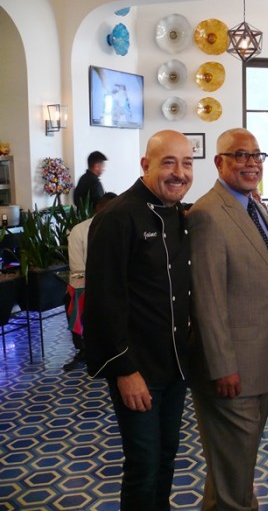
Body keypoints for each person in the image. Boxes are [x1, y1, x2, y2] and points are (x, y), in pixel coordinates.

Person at [83, 130, 193, 510]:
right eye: (168, 162)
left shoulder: (178, 213)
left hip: (175, 366)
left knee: (165, 459)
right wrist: (124, 370)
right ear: (145, 165)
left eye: (186, 163)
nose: (179, 172)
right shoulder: (117, 218)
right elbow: (101, 303)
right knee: (143, 466)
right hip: (139, 370)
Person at [188, 128, 268, 511]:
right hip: (232, 373)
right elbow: (207, 299)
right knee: (236, 485)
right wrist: (222, 365)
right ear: (219, 162)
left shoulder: (255, 206)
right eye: (240, 155)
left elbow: (266, 273)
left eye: (257, 155)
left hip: (260, 364)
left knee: (230, 473)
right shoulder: (207, 214)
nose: (251, 163)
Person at [62, 191, 117, 372]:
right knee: (75, 298)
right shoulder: (80, 231)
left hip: (114, 284)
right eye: (106, 208)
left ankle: (114, 349)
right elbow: (78, 268)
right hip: (85, 283)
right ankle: (83, 350)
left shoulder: (121, 228)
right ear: (97, 208)